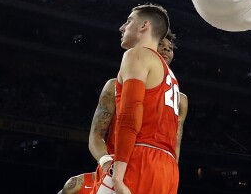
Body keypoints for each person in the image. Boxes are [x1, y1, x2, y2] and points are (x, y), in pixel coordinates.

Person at [58, 33, 188, 194]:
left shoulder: (180, 99)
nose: (166, 49)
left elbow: (175, 144)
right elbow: (96, 135)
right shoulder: (114, 86)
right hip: (120, 164)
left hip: (158, 170)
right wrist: (107, 163)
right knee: (73, 186)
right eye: (161, 44)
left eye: (170, 48)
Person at [91, 4, 181, 194]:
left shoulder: (137, 54)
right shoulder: (171, 78)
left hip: (137, 160)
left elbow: (130, 114)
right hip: (168, 169)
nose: (122, 27)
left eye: (129, 21)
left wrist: (118, 174)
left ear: (144, 26)